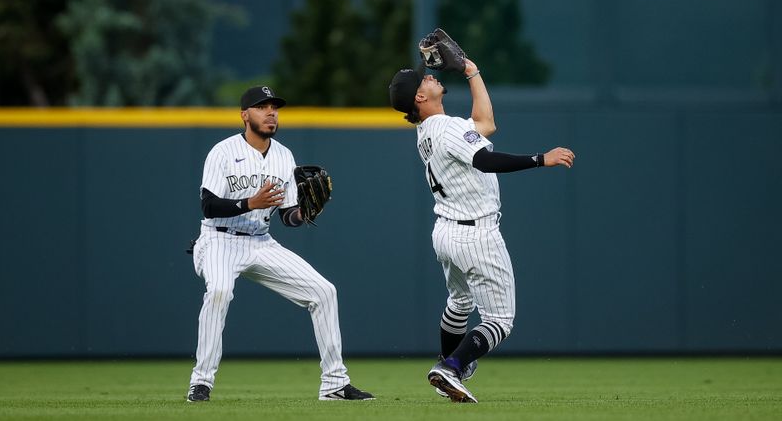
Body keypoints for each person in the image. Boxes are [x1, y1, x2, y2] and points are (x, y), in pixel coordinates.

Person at [389, 60, 575, 403]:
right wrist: (540, 159)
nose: (430, 76)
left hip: (446, 233)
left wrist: (471, 71)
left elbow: (486, 124)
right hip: (476, 234)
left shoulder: (430, 131)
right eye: (424, 78)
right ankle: (452, 368)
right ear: (419, 96)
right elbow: (485, 160)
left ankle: (448, 364)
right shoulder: (445, 128)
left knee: (460, 303)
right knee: (501, 320)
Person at [186, 86, 374, 402]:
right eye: (262, 107)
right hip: (218, 239)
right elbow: (207, 206)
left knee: (324, 292)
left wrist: (303, 212)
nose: (271, 113)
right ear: (245, 115)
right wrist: (249, 202)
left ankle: (335, 384)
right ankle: (201, 383)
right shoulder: (222, 152)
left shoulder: (284, 155)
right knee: (219, 291)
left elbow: (287, 215)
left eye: (274, 107)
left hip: (260, 241)